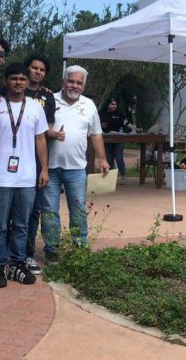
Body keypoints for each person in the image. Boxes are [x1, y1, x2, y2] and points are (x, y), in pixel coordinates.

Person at [41, 65, 109, 263]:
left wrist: (102, 158)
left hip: (77, 168)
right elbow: (38, 130)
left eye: (79, 83)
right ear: (63, 81)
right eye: (71, 81)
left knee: (78, 209)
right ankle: (51, 249)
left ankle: (80, 245)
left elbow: (95, 133)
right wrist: (52, 134)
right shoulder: (50, 100)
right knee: (49, 210)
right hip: (50, 168)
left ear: (84, 86)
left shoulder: (89, 105)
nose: (74, 85)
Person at [0, 63, 49, 286]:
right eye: (14, 78)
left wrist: (44, 168)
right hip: (1, 176)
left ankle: (17, 264)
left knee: (22, 225)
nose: (18, 82)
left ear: (27, 82)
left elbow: (41, 139)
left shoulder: (35, 107)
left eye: (22, 79)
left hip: (27, 177)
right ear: (7, 81)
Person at [21, 53, 56, 274]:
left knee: (33, 211)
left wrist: (55, 134)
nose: (37, 72)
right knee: (9, 212)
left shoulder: (47, 96)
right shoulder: (14, 89)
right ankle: (5, 253)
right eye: (34, 68)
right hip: (12, 160)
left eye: (41, 70)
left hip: (36, 161)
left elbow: (47, 130)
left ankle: (27, 254)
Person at [99, 97, 136, 185]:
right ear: (107, 105)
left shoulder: (119, 113)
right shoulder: (101, 113)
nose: (114, 106)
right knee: (109, 159)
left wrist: (135, 128)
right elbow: (97, 124)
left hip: (119, 138)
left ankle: (123, 176)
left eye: (115, 104)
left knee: (119, 158)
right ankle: (111, 177)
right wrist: (102, 127)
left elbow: (125, 122)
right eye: (112, 104)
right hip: (107, 139)